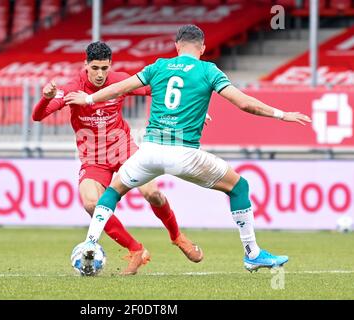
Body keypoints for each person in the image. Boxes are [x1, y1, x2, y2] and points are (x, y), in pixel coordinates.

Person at [64, 25, 311, 275]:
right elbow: (245, 104)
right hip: (183, 154)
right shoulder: (208, 70)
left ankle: (91, 241)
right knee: (239, 187)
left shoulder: (159, 65)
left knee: (112, 193)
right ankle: (252, 253)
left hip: (148, 151)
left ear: (176, 46)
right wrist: (282, 114)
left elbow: (119, 88)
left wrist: (87, 99)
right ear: (202, 48)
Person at [33, 41, 204, 275]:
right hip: (93, 158)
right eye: (95, 68)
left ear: (110, 65)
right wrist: (45, 97)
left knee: (152, 193)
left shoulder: (120, 81)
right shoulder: (73, 87)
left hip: (124, 149)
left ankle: (177, 237)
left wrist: (191, 110)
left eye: (105, 68)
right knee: (91, 203)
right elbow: (38, 116)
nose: (100, 74)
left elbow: (158, 89)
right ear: (85, 65)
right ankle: (136, 250)